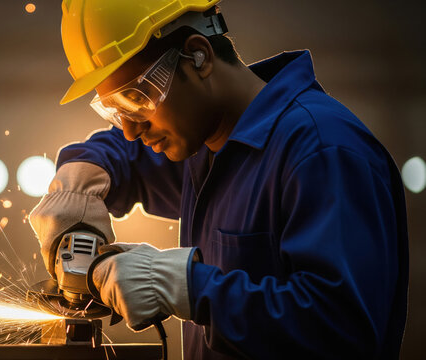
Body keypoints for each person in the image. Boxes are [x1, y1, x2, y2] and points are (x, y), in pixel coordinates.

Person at [30, 1, 409, 358]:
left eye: (138, 98)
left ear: (199, 57)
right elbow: (120, 154)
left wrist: (191, 288)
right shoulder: (205, 143)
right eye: (115, 109)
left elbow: (344, 332)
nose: (130, 129)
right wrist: (78, 185)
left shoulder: (322, 150)